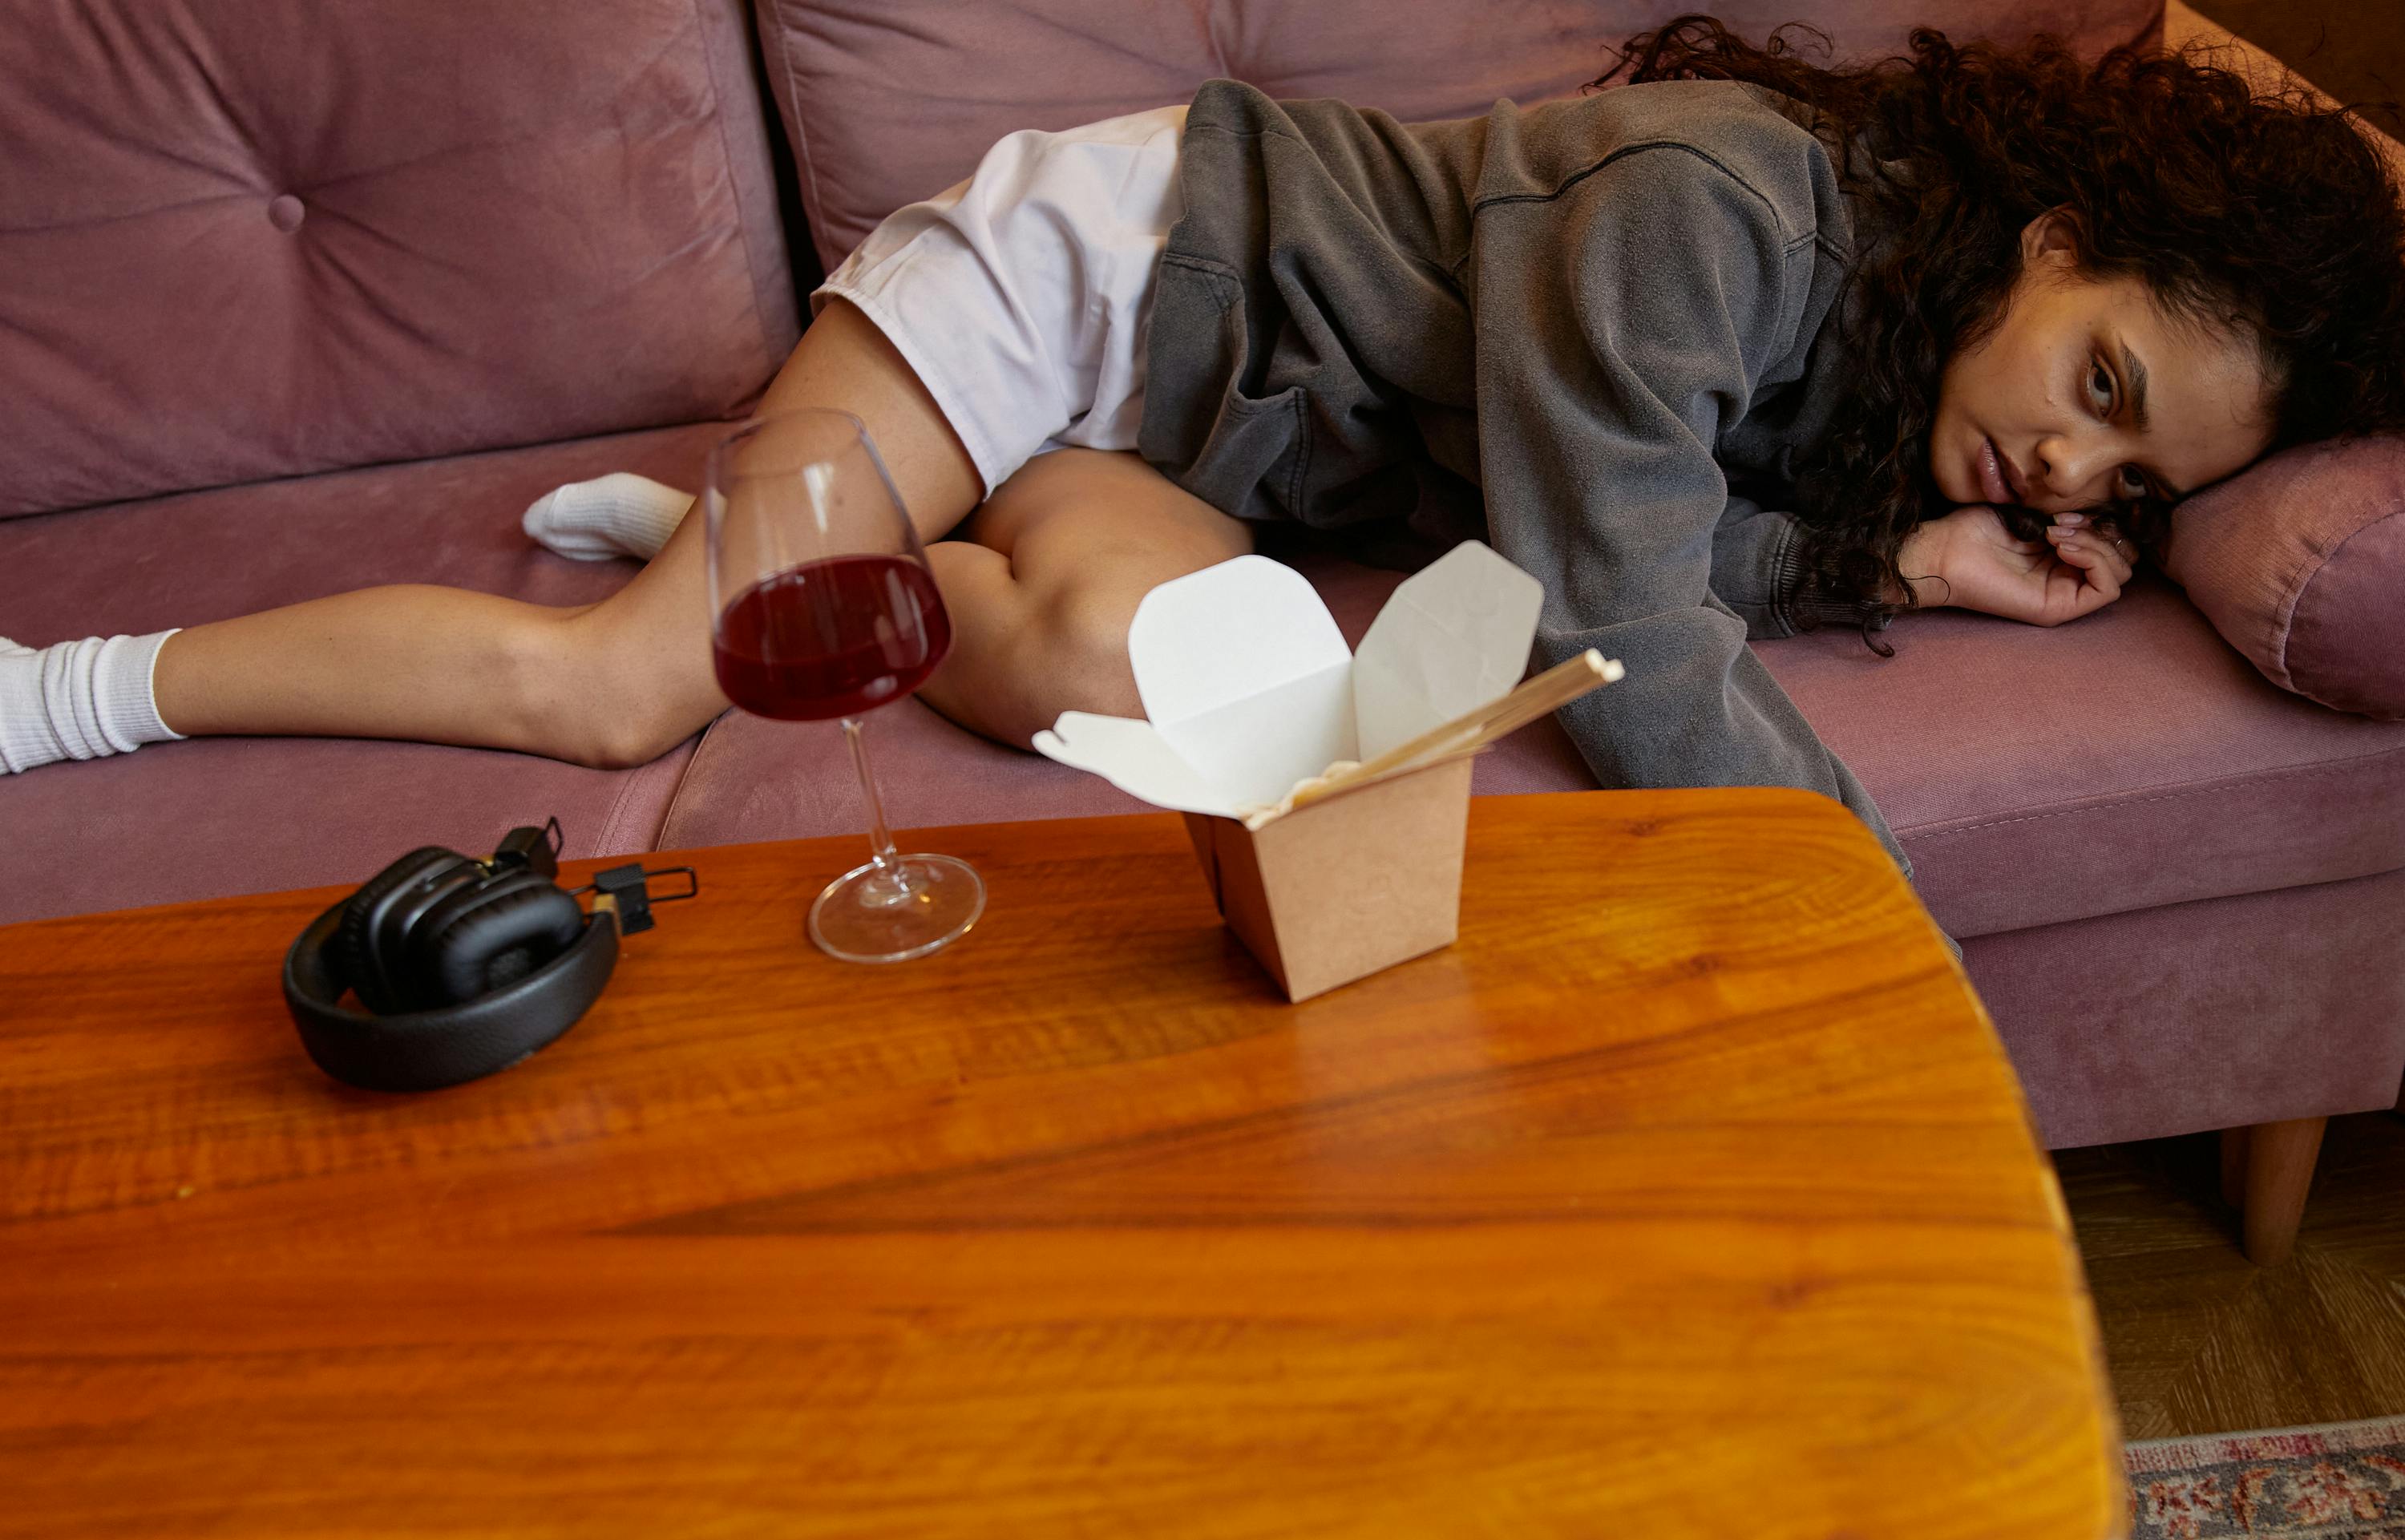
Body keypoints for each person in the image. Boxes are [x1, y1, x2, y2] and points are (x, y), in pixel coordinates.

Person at [8, 19, 2403, 872]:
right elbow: (1612, 603)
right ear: (2058, 233)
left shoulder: (1883, 347)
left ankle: (805, 554)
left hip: (1196, 442)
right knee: (617, 695)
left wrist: (1921, 562)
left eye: (2131, 486)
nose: (2078, 483)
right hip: (1084, 284)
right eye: (2101, 391)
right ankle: (79, 681)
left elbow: (1649, 526)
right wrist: (1866, 937)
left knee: (1200, 719)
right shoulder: (1717, 202)